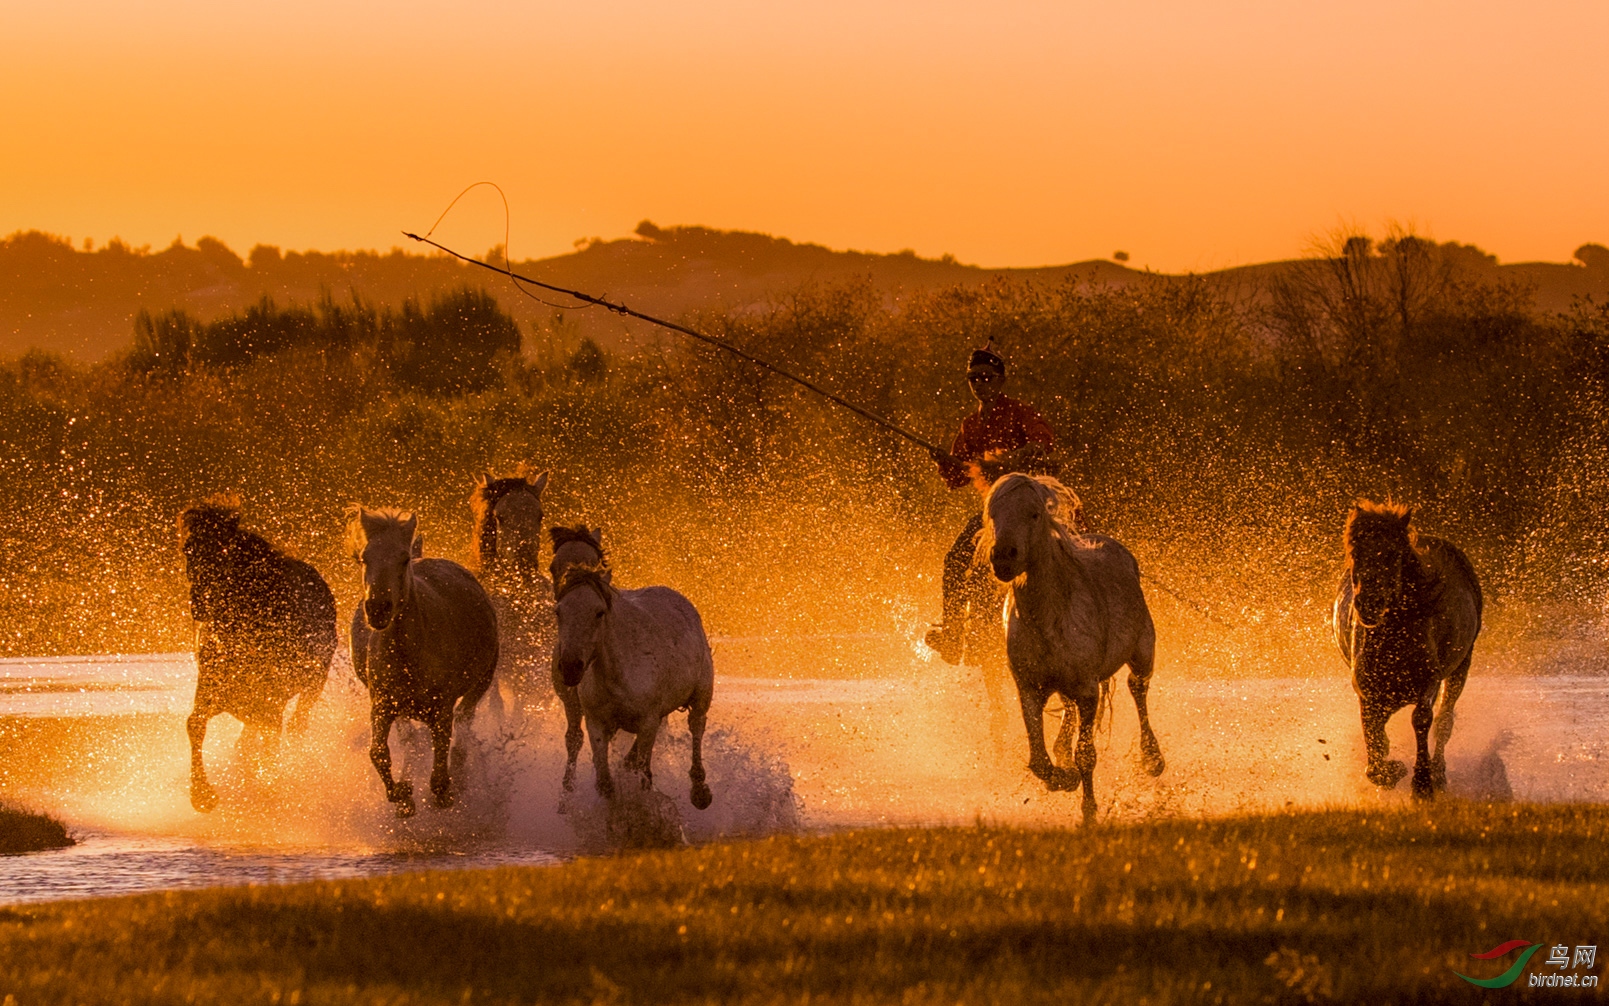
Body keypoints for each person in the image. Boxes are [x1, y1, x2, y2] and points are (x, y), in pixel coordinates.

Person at [924, 345, 1057, 664]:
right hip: (994, 513)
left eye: (987, 377)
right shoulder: (969, 426)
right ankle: (953, 633)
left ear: (1001, 380)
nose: (981, 384)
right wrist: (944, 461)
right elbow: (957, 479)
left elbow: (1043, 442)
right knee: (955, 560)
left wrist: (1012, 459)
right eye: (974, 378)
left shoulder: (1021, 412)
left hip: (1029, 506)